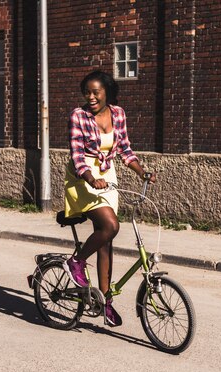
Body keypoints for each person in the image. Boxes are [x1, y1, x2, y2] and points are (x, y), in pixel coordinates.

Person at [63, 70, 156, 327]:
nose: (90, 97)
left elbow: (125, 149)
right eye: (87, 92)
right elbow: (76, 155)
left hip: (107, 176)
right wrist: (91, 178)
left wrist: (142, 172)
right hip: (83, 180)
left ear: (107, 92)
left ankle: (105, 303)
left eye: (96, 92)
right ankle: (76, 262)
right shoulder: (78, 115)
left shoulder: (118, 114)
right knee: (111, 226)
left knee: (106, 241)